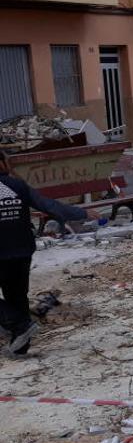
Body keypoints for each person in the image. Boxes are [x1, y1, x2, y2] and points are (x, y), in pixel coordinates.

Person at [0, 151, 99, 357]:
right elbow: (49, 206)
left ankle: (19, 325)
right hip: (22, 251)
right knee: (17, 297)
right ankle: (20, 348)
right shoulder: (18, 186)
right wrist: (81, 212)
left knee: (14, 303)